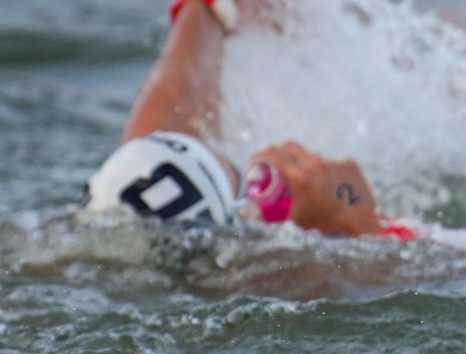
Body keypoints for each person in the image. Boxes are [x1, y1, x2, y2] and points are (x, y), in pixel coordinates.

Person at [85, 0, 418, 240]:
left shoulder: (127, 204)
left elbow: (177, 101)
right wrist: (352, 215)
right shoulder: (296, 278)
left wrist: (212, 8)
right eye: (238, 182)